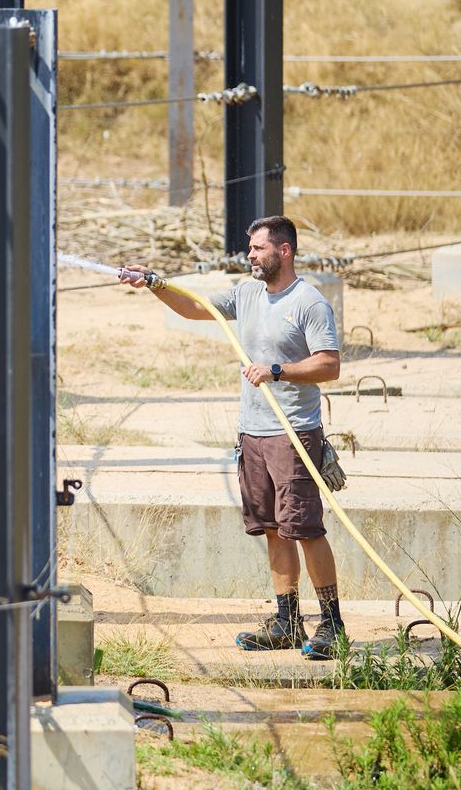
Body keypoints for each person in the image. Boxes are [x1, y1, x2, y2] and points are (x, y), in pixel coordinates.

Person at [120, 216, 344, 660]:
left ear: (284, 251)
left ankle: (333, 626)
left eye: (259, 248)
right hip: (253, 434)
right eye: (251, 248)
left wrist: (278, 370)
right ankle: (287, 621)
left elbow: (329, 366)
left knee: (304, 529)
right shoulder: (246, 293)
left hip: (293, 433)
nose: (251, 256)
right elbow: (195, 308)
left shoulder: (309, 302)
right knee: (272, 530)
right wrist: (153, 283)